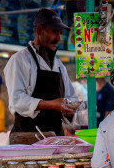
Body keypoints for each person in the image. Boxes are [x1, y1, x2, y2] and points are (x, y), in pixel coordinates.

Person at [5, 8, 78, 137]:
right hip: (27, 139)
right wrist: (51, 104)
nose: (59, 38)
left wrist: (69, 109)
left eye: (60, 33)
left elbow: (71, 98)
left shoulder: (60, 66)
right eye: (55, 32)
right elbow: (17, 101)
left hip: (55, 138)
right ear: (39, 30)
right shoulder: (20, 60)